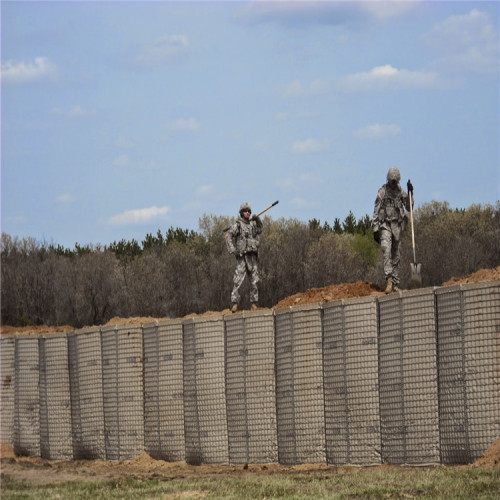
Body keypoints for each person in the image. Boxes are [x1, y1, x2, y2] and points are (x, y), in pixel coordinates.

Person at [372, 167, 413, 293]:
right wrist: (375, 228)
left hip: (397, 226)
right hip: (385, 225)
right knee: (386, 250)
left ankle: (395, 283)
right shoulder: (383, 191)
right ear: (388, 180)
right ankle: (389, 281)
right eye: (391, 181)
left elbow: (409, 208)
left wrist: (411, 193)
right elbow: (376, 209)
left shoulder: (401, 192)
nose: (393, 184)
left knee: (396, 255)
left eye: (395, 181)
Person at [225, 202, 263, 312]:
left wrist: (258, 220)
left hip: (252, 258)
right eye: (245, 211)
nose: (248, 213)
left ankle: (254, 304)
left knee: (254, 281)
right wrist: (233, 250)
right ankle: (235, 304)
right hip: (242, 257)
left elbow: (259, 230)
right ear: (241, 213)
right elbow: (228, 235)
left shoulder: (252, 226)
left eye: (249, 211)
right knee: (237, 281)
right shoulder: (238, 225)